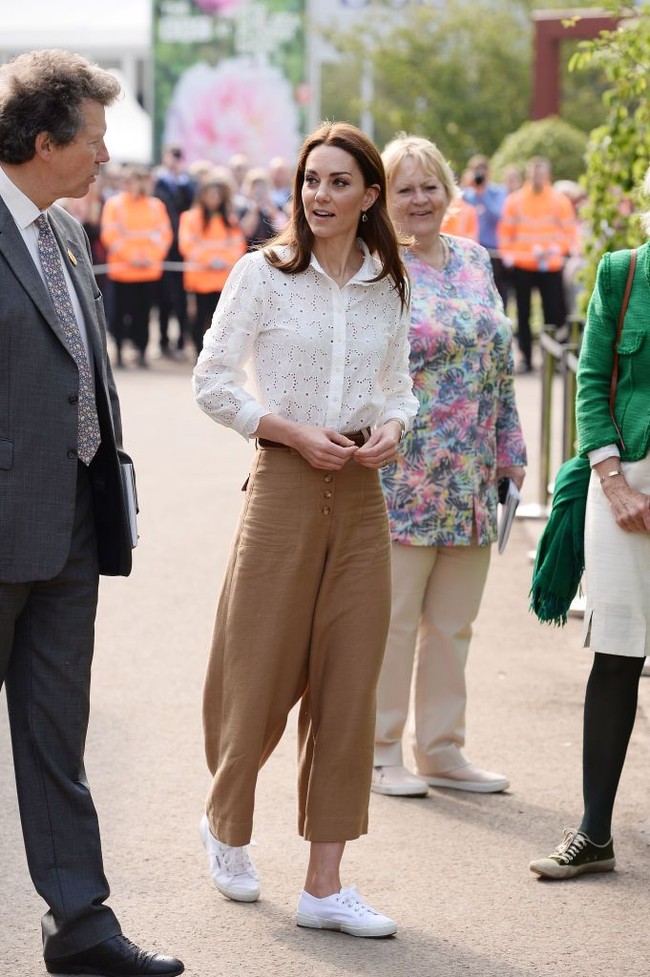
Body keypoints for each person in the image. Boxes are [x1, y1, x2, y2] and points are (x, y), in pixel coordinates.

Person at [193, 121, 418, 937]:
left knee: (349, 682)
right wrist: (287, 431)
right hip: (284, 483)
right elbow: (211, 382)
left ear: (368, 196)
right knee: (258, 671)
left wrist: (394, 425)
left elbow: (399, 385)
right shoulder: (263, 274)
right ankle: (226, 826)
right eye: (310, 180)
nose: (319, 195)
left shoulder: (388, 283)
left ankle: (326, 884)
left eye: (336, 182)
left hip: (363, 493)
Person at [0, 49, 183, 976]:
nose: (107, 156)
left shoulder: (69, 231)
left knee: (56, 738)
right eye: (96, 139)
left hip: (72, 527)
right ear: (44, 141)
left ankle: (81, 928)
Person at [371, 134, 527, 798]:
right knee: (394, 618)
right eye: (404, 188)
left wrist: (511, 451)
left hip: (470, 476)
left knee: (454, 623)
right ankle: (378, 749)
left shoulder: (473, 258)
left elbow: (498, 366)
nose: (418, 200)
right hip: (402, 473)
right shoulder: (375, 268)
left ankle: (441, 748)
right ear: (384, 198)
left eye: (428, 185)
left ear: (448, 191)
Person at [529, 171, 650, 880]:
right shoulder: (622, 272)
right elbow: (592, 379)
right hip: (623, 487)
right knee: (617, 653)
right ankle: (593, 832)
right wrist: (613, 481)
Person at [497, 156, 578, 373]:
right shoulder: (515, 201)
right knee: (523, 314)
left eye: (540, 174)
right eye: (533, 174)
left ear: (548, 175)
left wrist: (555, 248)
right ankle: (526, 358)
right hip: (523, 264)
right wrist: (508, 255)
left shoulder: (559, 201)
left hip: (550, 266)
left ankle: (554, 358)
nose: (536, 178)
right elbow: (505, 232)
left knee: (554, 313)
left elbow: (570, 233)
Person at [100, 165, 173, 368]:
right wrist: (132, 257)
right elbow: (110, 235)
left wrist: (149, 257)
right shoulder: (114, 205)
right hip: (122, 271)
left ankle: (141, 353)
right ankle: (120, 353)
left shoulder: (155, 205)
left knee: (144, 315)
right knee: (118, 315)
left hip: (147, 271)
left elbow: (164, 235)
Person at [178, 169, 246, 355]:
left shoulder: (229, 220)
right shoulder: (190, 218)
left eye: (217, 195)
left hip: (222, 279)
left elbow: (237, 245)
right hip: (200, 279)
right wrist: (210, 259)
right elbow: (187, 245)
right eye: (210, 195)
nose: (213, 199)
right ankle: (198, 352)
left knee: (221, 319)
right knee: (199, 316)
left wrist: (222, 260)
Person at [152, 144, 195, 357]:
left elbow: (191, 202)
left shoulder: (187, 183)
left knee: (180, 298)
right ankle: (162, 340)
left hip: (181, 248)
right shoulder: (158, 181)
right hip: (163, 248)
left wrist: (180, 178)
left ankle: (180, 341)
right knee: (162, 298)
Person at [462, 155, 509, 308]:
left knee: (498, 289)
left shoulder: (498, 192)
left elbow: (497, 216)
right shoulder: (466, 195)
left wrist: (482, 195)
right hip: (472, 249)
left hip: (493, 250)